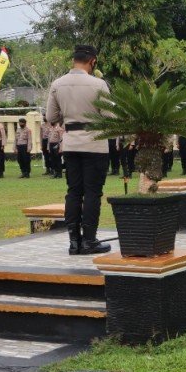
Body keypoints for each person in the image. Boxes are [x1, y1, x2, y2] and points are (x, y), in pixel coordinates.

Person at [45, 44, 112, 256]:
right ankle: (89, 240)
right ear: (92, 61)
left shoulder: (57, 84)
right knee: (93, 192)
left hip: (71, 143)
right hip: (94, 143)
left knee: (74, 192)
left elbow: (51, 117)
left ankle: (74, 241)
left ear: (73, 60)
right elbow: (111, 116)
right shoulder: (98, 84)